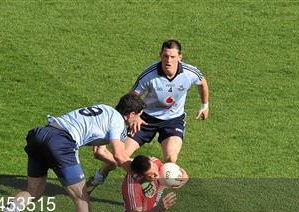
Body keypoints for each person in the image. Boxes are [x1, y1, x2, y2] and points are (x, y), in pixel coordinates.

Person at [0, 94, 146, 212]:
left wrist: (115, 165)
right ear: (131, 114)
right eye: (139, 116)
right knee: (82, 200)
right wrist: (140, 177)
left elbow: (100, 152)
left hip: (41, 134)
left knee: (33, 191)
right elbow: (119, 154)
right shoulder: (117, 121)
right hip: (61, 142)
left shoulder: (106, 110)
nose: (140, 120)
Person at [87, 39, 210, 193]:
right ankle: (98, 177)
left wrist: (205, 105)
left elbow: (202, 82)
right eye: (165, 56)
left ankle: (153, 192)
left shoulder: (190, 72)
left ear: (180, 57)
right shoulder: (149, 75)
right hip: (145, 119)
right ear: (160, 55)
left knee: (171, 160)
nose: (168, 60)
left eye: (172, 57)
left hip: (173, 121)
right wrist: (136, 117)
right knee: (121, 154)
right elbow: (132, 96)